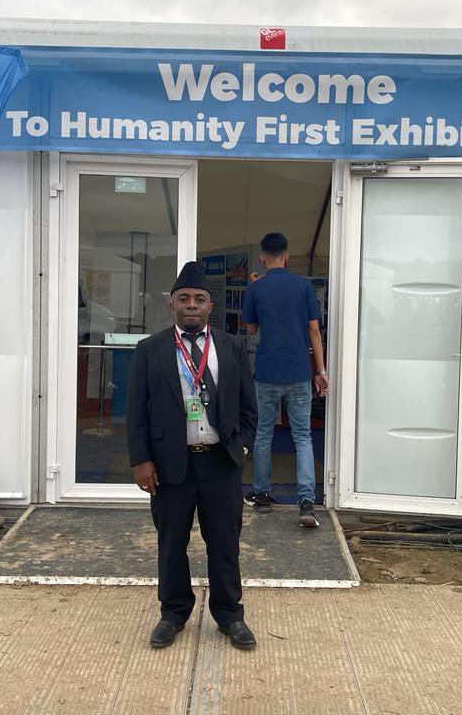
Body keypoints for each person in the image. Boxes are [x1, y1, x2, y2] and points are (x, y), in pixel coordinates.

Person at [127, 261, 259, 651]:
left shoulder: (233, 346)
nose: (192, 305)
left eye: (199, 299)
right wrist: (141, 460)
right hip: (170, 466)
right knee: (171, 542)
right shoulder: (150, 349)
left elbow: (249, 406)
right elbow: (136, 410)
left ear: (209, 307)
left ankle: (229, 614)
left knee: (224, 543)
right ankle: (173, 612)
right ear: (172, 305)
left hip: (220, 463)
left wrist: (243, 446)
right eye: (184, 298)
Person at [242, 232, 329, 528]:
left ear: (263, 258)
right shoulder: (304, 287)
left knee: (264, 433)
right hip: (298, 371)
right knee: (302, 436)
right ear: (287, 256)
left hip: (267, 370)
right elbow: (314, 330)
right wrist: (321, 371)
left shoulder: (256, 288)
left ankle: (261, 493)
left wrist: (255, 290)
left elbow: (251, 329)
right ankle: (306, 502)